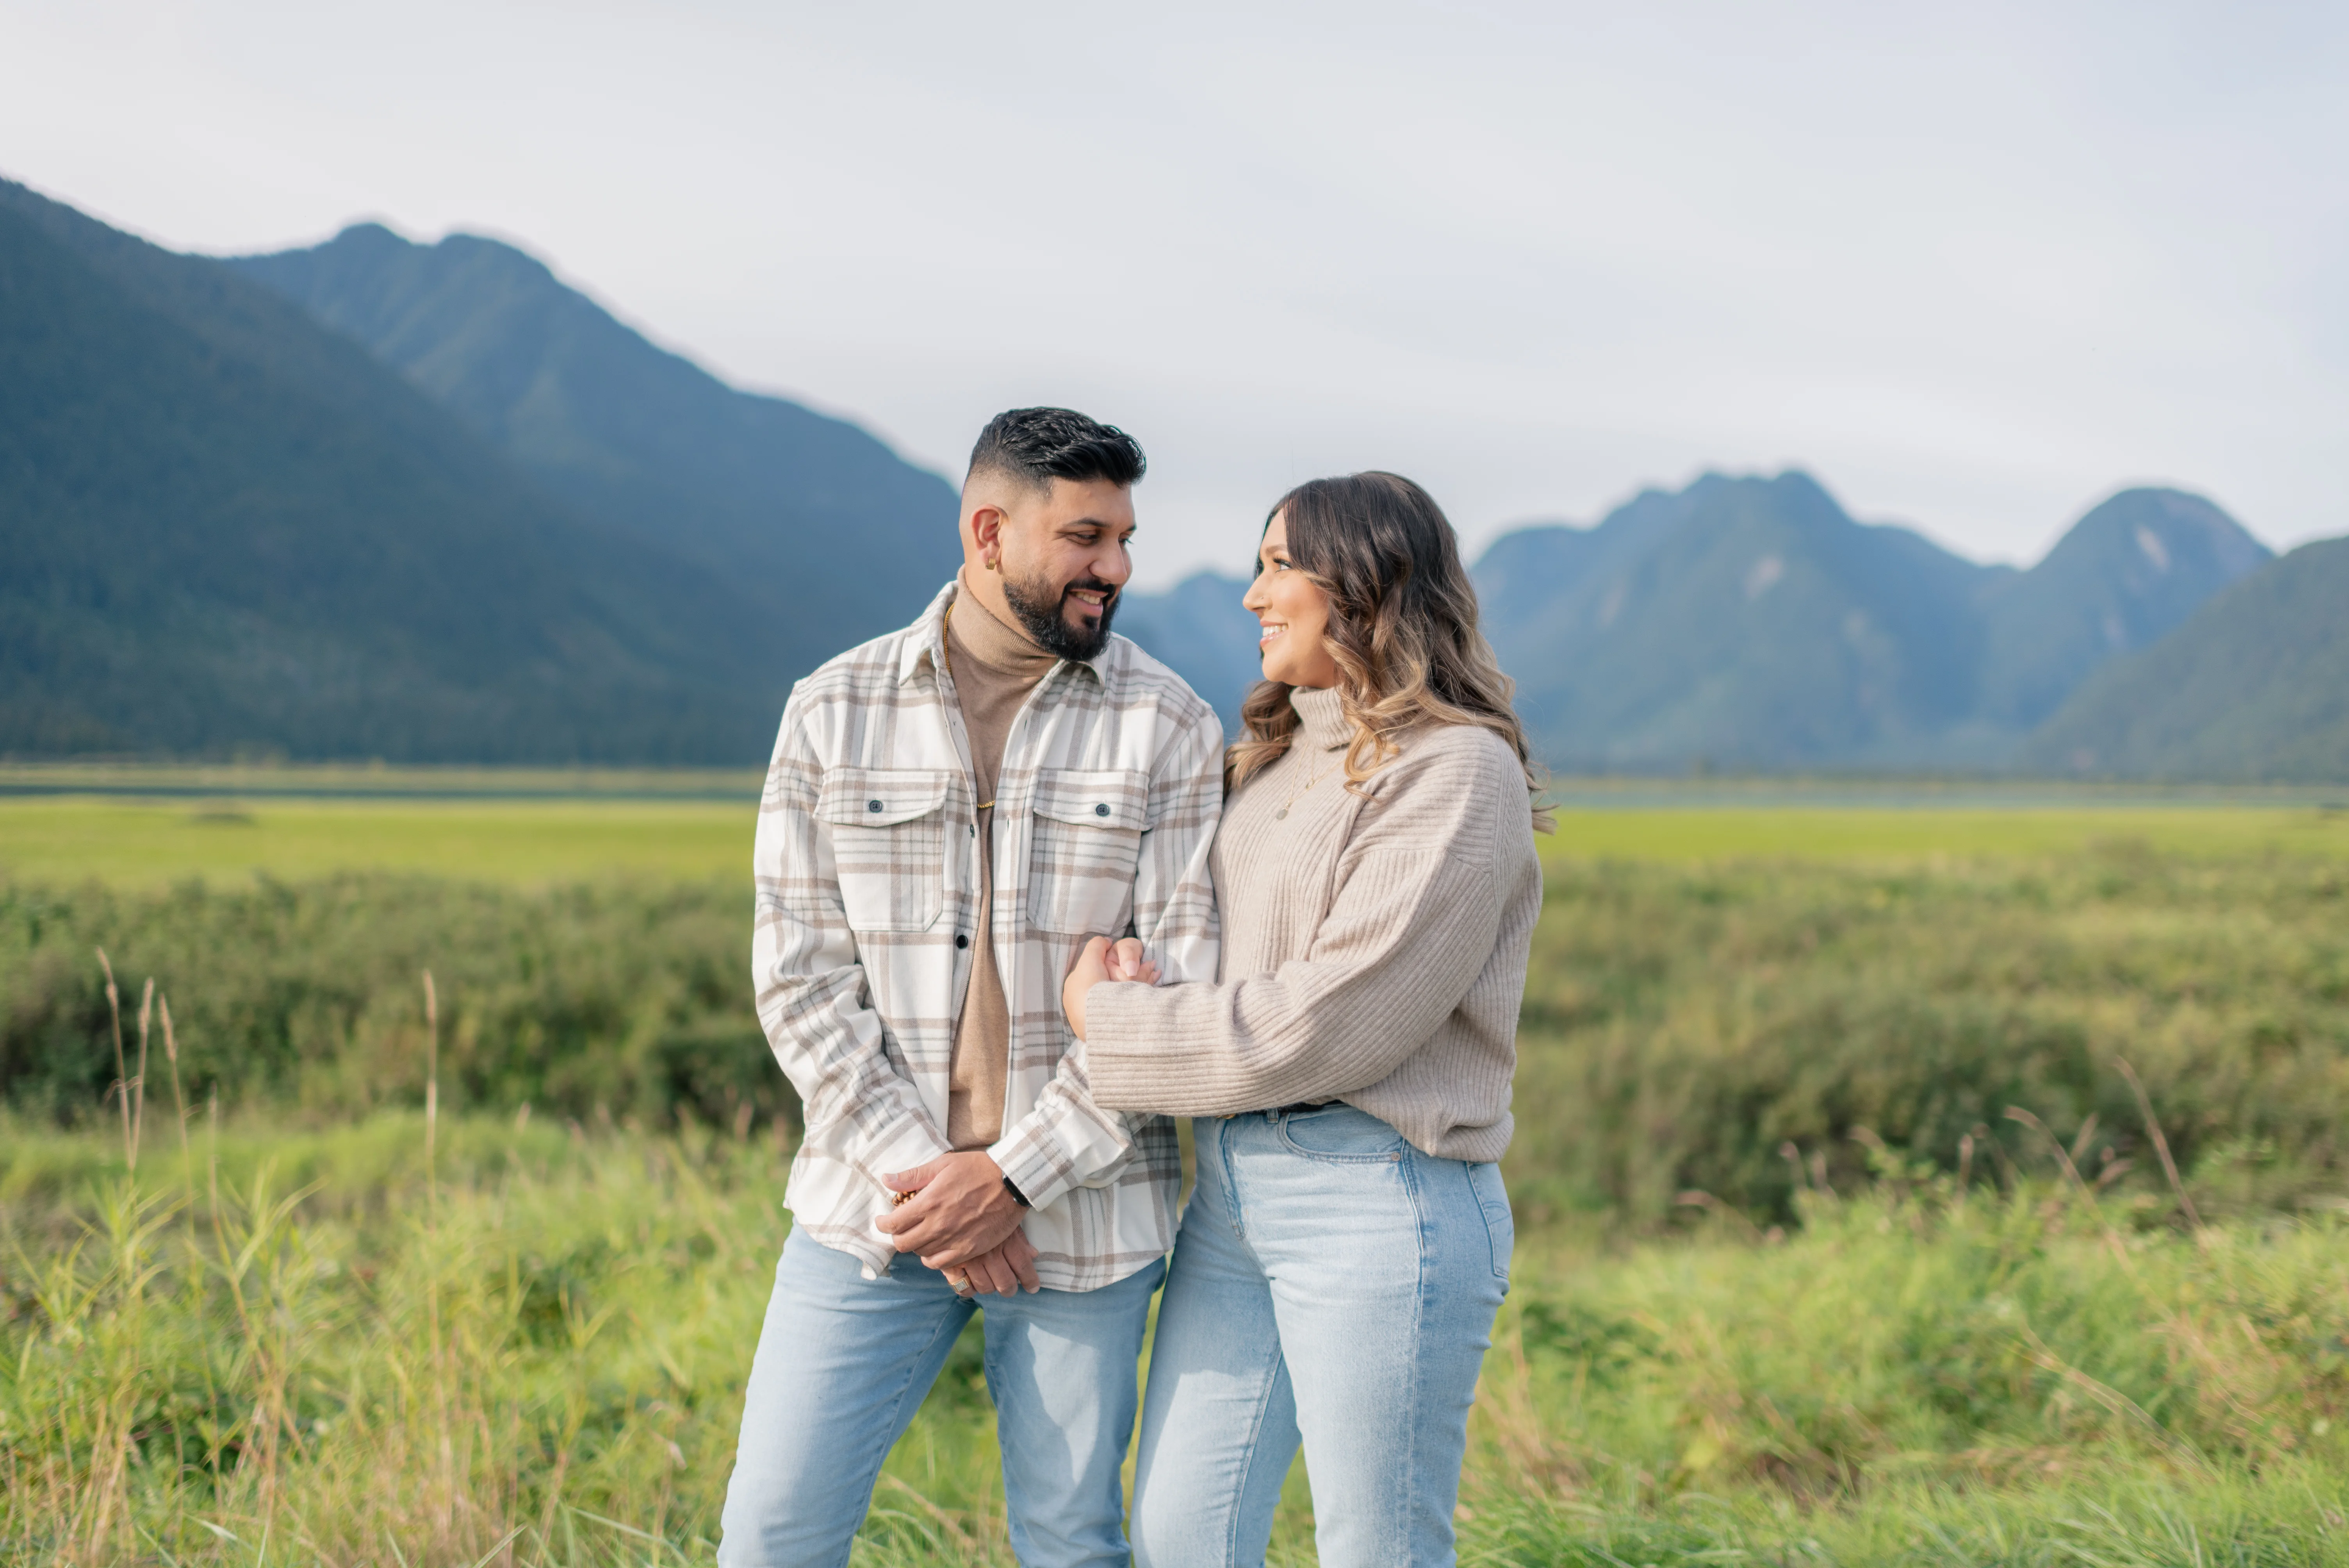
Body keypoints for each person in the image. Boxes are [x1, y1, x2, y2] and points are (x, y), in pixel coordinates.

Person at [719, 408, 1226, 1568]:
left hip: (1084, 1221)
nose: (1117, 569)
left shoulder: (1171, 727)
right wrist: (936, 1186)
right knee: (770, 1535)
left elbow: (1174, 1005)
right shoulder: (833, 710)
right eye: (1086, 536)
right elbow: (799, 979)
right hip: (873, 1213)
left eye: (1126, 538)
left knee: (1069, 1545)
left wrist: (1009, 1176)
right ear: (989, 531)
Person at [1062, 471, 1546, 1568]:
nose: (1253, 595)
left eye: (1279, 564)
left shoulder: (1458, 769)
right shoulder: (1274, 759)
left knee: (1377, 1549)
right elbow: (1218, 947)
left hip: (1381, 1197)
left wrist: (1112, 1027)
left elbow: (1336, 1021)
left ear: (1363, 580)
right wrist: (1139, 973)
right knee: (1183, 1535)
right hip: (1234, 1190)